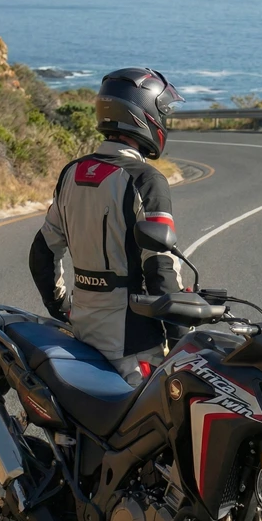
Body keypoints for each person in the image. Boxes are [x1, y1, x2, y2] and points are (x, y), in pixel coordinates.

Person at [29, 67, 185, 385]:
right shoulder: (146, 180)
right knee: (168, 429)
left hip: (82, 331)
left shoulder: (72, 172)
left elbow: (42, 253)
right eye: (163, 112)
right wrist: (182, 339)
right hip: (133, 343)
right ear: (145, 114)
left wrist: (63, 309)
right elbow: (160, 269)